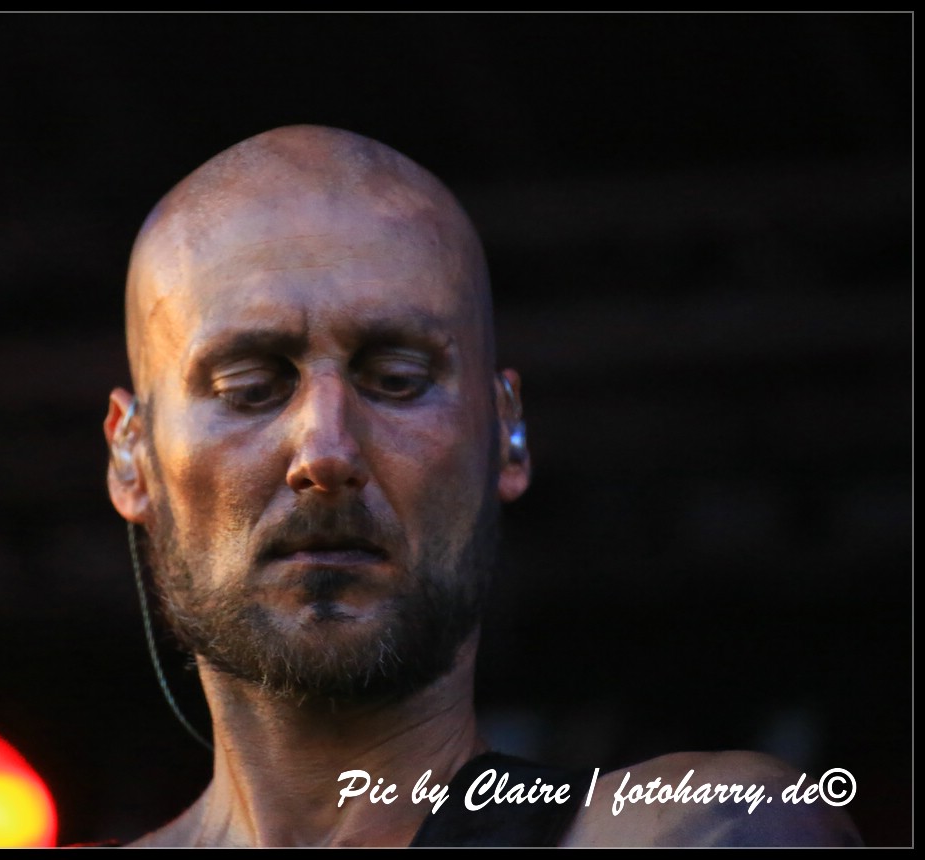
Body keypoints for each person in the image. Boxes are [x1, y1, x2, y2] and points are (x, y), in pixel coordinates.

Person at [100, 125, 861, 847]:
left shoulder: (705, 830)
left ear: (507, 434)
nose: (327, 451)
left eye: (398, 379)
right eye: (248, 387)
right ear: (131, 457)